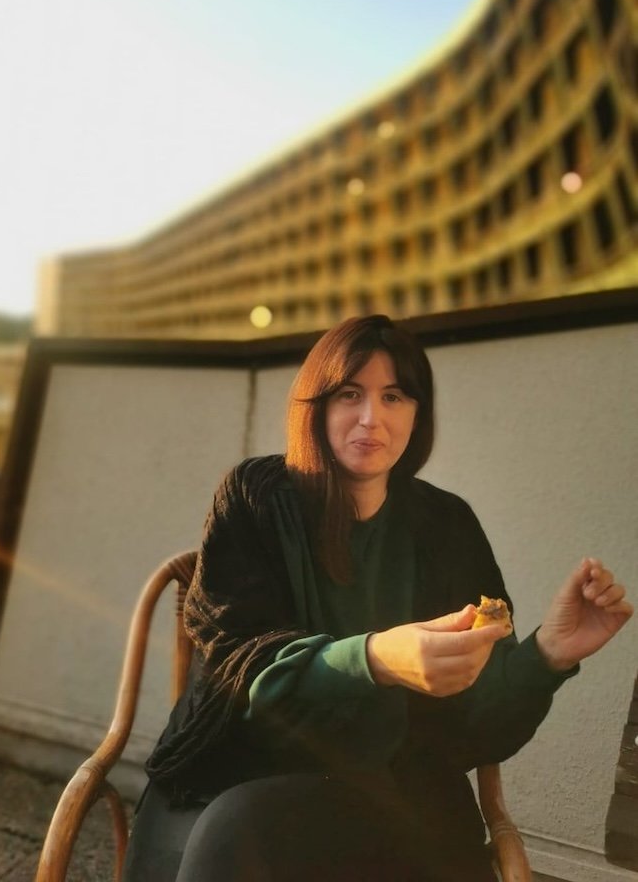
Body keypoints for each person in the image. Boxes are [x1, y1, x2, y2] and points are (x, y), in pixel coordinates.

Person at [123, 314, 632, 882]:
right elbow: (242, 671)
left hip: (386, 787)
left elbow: (474, 728)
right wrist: (375, 658)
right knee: (237, 826)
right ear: (314, 406)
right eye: (349, 394)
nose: (372, 418)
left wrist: (548, 655)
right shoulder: (256, 498)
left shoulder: (447, 524)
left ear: (418, 412)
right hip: (235, 772)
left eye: (394, 396)